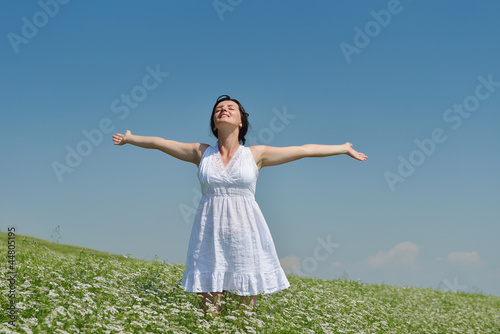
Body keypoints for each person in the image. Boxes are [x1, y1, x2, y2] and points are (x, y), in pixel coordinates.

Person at [112, 95, 367, 315]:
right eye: (218, 109)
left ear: (241, 121)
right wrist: (131, 139)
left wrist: (343, 148)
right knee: (209, 311)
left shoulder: (256, 154)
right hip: (209, 233)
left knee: (244, 312)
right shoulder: (201, 153)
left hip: (245, 233)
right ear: (214, 122)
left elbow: (304, 149)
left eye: (230, 108)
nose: (223, 110)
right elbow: (160, 142)